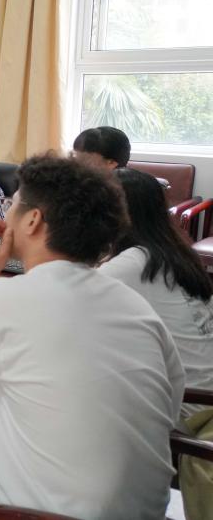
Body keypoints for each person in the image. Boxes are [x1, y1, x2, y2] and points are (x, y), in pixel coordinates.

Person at [0, 155, 184, 520]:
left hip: (42, 513)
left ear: (32, 220)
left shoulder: (7, 299)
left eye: (12, 204)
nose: (6, 211)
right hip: (148, 510)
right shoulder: (138, 308)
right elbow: (169, 405)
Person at [100, 168, 213, 418]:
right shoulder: (175, 252)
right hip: (204, 396)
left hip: (191, 411)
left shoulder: (131, 264)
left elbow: (69, 300)